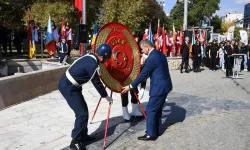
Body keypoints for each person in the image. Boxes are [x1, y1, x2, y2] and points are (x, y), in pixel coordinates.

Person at [58, 44, 114, 149]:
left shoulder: (91, 57)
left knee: (84, 111)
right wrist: (106, 96)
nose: (106, 61)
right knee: (81, 113)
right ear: (102, 56)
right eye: (106, 59)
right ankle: (75, 140)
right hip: (68, 87)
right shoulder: (92, 64)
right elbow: (97, 83)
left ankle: (83, 135)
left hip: (73, 86)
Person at [121, 39, 172, 141]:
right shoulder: (159, 54)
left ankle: (150, 134)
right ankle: (157, 130)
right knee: (157, 110)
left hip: (159, 88)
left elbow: (143, 75)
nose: (142, 52)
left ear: (147, 47)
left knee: (150, 110)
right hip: (165, 86)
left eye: (142, 49)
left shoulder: (152, 58)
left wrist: (130, 86)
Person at [120, 53, 147, 121]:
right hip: (124, 74)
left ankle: (135, 111)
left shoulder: (143, 64)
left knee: (135, 92)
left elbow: (144, 76)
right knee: (124, 94)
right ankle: (125, 112)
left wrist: (142, 88)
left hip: (134, 79)